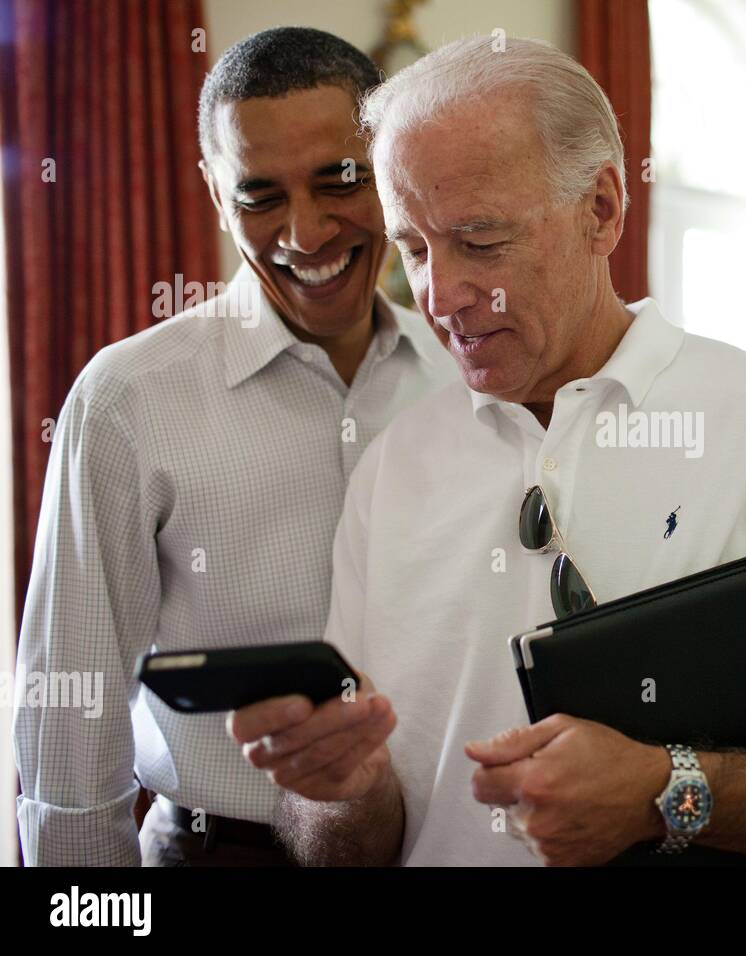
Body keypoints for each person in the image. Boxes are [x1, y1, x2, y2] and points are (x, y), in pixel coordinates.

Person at [229, 37, 746, 867]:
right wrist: (339, 791)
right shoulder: (389, 470)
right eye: (413, 248)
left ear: (602, 209)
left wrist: (671, 793)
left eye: (480, 242)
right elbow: (348, 847)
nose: (440, 297)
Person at [13, 27, 457, 866]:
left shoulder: (465, 383)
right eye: (260, 196)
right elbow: (69, 716)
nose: (307, 232)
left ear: (392, 167)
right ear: (215, 195)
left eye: (341, 181)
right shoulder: (127, 400)